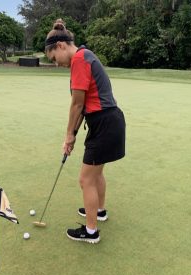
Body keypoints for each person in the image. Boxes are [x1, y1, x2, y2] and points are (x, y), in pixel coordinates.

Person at [45, 19, 126, 244]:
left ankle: (91, 232)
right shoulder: (85, 54)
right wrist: (72, 133)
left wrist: (69, 134)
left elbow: (77, 104)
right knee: (96, 173)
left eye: (53, 59)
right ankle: (99, 211)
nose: (56, 64)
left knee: (85, 180)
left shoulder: (79, 60)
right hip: (109, 121)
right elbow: (84, 106)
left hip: (104, 124)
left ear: (61, 46)